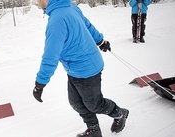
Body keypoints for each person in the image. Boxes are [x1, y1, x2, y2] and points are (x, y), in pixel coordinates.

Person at [33, 0, 129, 136]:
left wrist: (40, 83)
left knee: (94, 104)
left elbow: (51, 56)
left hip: (87, 69)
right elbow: (86, 24)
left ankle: (120, 114)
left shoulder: (57, 20)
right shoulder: (67, 6)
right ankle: (94, 129)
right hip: (75, 68)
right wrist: (100, 41)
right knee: (76, 102)